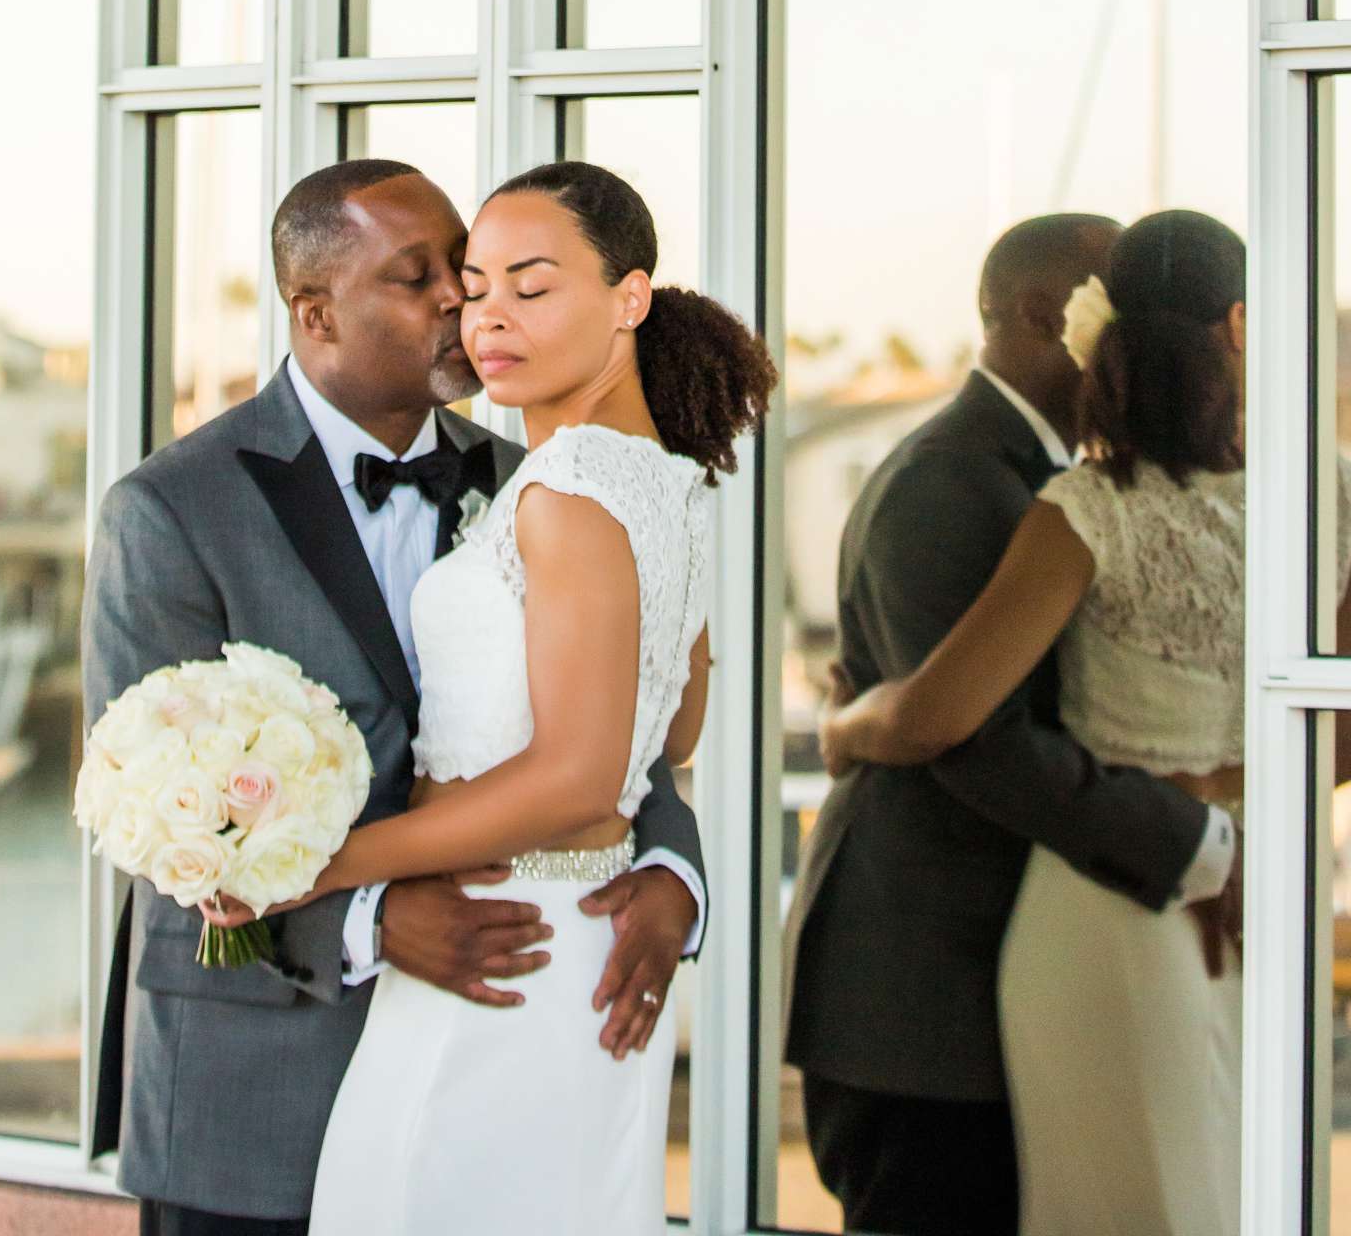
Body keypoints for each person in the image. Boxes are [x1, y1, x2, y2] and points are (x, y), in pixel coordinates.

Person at [83, 159, 709, 1236]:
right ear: (316, 312)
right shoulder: (171, 510)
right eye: (425, 280)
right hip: (255, 1096)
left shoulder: (542, 475)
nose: (462, 306)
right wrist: (367, 917)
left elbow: (620, 723)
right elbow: (159, 820)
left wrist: (665, 866)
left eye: (467, 275)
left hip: (510, 1045)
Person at [821, 208, 1351, 1236]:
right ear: (1241, 329)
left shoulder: (1086, 505)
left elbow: (937, 717)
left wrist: (847, 729)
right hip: (1213, 901)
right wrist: (1249, 813)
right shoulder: (1326, 489)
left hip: (1122, 909)